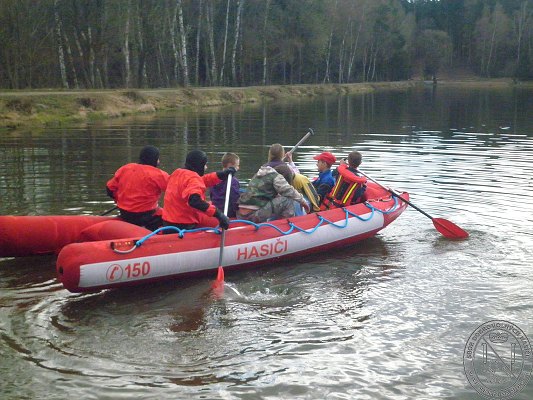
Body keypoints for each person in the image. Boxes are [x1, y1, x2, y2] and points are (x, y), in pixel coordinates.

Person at [162, 150, 234, 231]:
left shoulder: (177, 173)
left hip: (168, 222)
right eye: (205, 164)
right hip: (183, 225)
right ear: (199, 165)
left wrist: (221, 175)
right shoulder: (193, 178)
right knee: (217, 221)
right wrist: (218, 214)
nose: (206, 167)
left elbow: (201, 180)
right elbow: (195, 201)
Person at [106, 145, 169, 231]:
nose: (159, 161)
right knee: (169, 217)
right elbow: (174, 190)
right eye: (158, 159)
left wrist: (119, 199)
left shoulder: (125, 168)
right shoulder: (159, 175)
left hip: (125, 213)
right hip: (146, 215)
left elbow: (109, 189)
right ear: (154, 159)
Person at [237, 164, 310, 223]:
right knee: (288, 201)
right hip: (252, 216)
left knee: (277, 200)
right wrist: (303, 202)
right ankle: (287, 225)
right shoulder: (276, 177)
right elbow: (289, 191)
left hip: (240, 215)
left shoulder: (259, 175)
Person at [209, 152, 240, 218]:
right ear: (230, 165)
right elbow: (234, 199)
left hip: (216, 210)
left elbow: (211, 196)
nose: (238, 168)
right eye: (237, 165)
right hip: (228, 212)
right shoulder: (233, 181)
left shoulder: (215, 179)